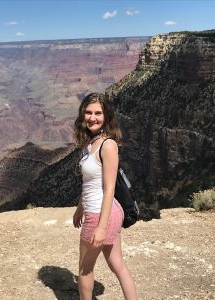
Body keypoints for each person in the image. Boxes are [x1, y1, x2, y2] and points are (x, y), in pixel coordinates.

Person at [73, 92, 137, 300]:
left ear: (106, 116)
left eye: (98, 113)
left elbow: (109, 188)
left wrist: (100, 227)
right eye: (89, 112)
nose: (92, 117)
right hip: (94, 210)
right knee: (117, 264)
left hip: (100, 214)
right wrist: (79, 207)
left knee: (84, 270)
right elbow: (90, 183)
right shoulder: (90, 143)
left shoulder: (107, 146)